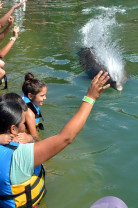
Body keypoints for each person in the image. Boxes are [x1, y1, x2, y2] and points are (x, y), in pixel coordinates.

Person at [0, 71, 110, 207]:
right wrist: (90, 97)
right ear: (13, 129)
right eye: (23, 123)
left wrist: (28, 137)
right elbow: (65, 138)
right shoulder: (18, 156)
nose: (25, 125)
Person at [22, 73, 47, 141]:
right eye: (42, 95)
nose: (45, 98)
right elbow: (34, 137)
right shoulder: (29, 112)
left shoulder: (25, 100)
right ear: (30, 96)